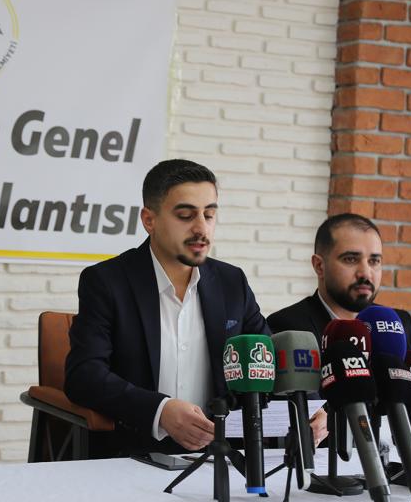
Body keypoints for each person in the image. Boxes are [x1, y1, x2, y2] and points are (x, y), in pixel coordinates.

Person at [64, 159, 270, 458]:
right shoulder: (107, 281)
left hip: (218, 455)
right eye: (186, 215)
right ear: (149, 220)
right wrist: (160, 411)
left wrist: (308, 405)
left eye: (209, 215)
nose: (201, 228)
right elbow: (84, 375)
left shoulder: (231, 282)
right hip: (132, 454)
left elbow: (267, 357)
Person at [267, 213, 411, 444]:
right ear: (319, 265)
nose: (365, 273)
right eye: (350, 259)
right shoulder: (287, 327)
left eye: (374, 261)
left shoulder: (399, 323)